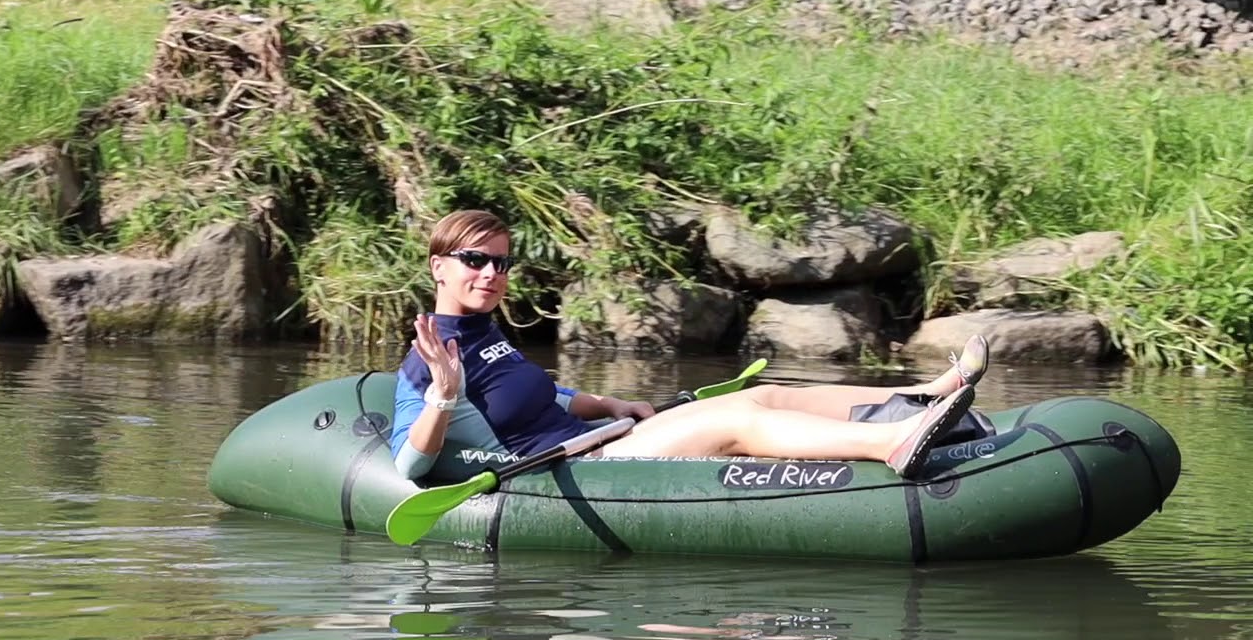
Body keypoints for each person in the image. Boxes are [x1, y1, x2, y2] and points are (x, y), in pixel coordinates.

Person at [389, 210, 988, 484]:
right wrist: (442, 398)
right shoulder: (429, 356)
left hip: (599, 439)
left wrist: (609, 405)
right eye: (475, 260)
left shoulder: (485, 333)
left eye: (500, 261)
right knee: (737, 418)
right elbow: (409, 464)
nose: (491, 273)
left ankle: (919, 393)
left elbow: (543, 395)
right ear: (440, 266)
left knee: (765, 392)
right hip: (572, 471)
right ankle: (890, 444)